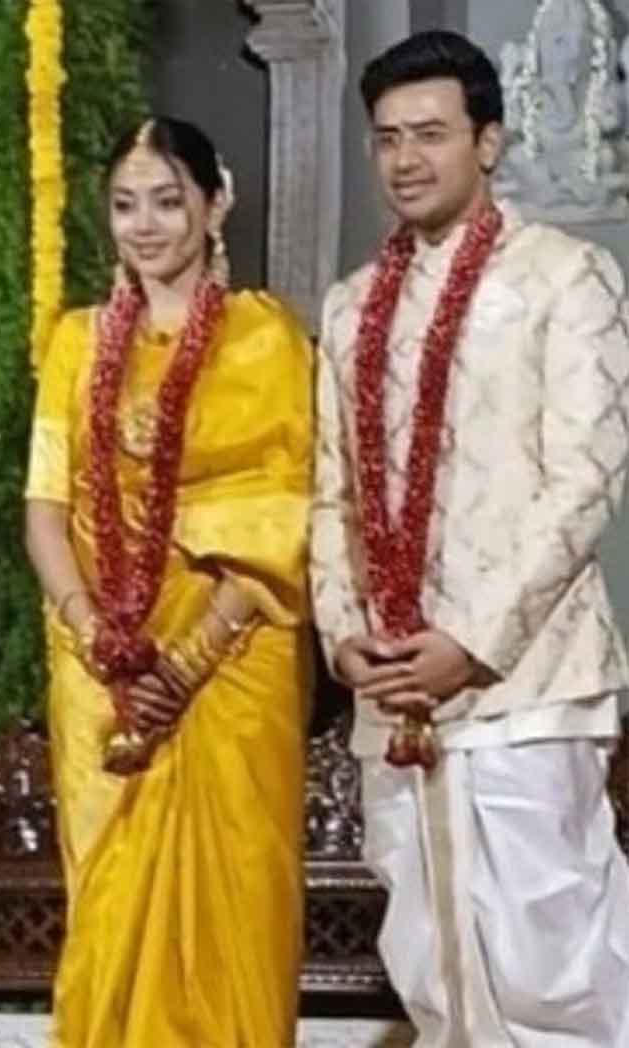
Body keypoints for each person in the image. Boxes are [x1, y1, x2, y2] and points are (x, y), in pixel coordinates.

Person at [311, 29, 629, 1047]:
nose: (405, 159)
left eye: (431, 133)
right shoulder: (350, 307)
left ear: (488, 142)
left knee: (552, 953)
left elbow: (586, 477)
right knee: (427, 947)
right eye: (387, 137)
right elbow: (331, 495)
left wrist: (472, 642)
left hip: (527, 680)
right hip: (395, 689)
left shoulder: (566, 278)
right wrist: (343, 637)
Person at [25, 115, 312, 1048]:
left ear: (215, 205)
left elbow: (281, 517)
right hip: (101, 667)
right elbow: (45, 509)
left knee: (236, 893)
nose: (144, 225)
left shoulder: (266, 339)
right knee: (109, 902)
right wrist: (95, 634)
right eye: (124, 205)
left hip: (233, 655)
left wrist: (185, 664)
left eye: (166, 201)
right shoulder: (75, 343)